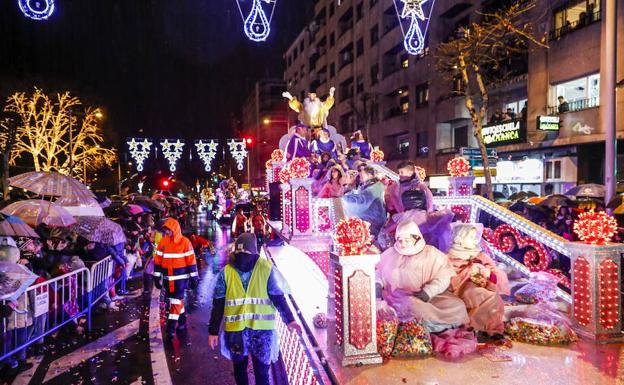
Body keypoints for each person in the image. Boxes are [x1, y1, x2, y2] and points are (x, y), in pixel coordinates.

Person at [208, 233, 301, 385]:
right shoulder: (266, 269)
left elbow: (218, 303)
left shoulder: (228, 272)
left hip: (238, 332)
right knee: (260, 373)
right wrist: (289, 320)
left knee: (243, 371)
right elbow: (278, 297)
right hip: (260, 332)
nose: (243, 258)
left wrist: (213, 331)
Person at [376, 221, 469, 332]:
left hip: (428, 297)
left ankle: (426, 326)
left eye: (407, 240)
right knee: (411, 305)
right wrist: (377, 284)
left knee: (457, 306)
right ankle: (419, 327)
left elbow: (444, 277)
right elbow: (377, 272)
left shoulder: (432, 253)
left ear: (417, 238)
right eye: (400, 240)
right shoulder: (391, 253)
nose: (403, 244)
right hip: (399, 297)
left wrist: (428, 292)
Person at [446, 224, 509, 339]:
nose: (475, 240)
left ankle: (489, 328)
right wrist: (469, 270)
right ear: (459, 238)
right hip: (460, 288)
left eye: (475, 236)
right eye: (470, 237)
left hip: (483, 286)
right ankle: (472, 325)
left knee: (492, 297)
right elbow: (448, 275)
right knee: (473, 294)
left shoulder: (480, 255)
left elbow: (495, 272)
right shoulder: (450, 256)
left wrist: (487, 274)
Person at [153, 218, 199, 341]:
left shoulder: (185, 242)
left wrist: (194, 277)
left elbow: (191, 262)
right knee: (176, 302)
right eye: (166, 230)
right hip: (169, 280)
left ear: (174, 229)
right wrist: (157, 277)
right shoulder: (163, 242)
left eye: (169, 230)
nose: (167, 232)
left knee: (174, 303)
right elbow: (158, 261)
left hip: (180, 280)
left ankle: (171, 328)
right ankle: (182, 322)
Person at [341, 165, 387, 238]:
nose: (361, 177)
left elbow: (362, 201)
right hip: (370, 217)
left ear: (369, 175)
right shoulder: (367, 185)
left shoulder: (376, 186)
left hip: (374, 219)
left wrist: (344, 199)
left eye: (362, 175)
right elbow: (356, 194)